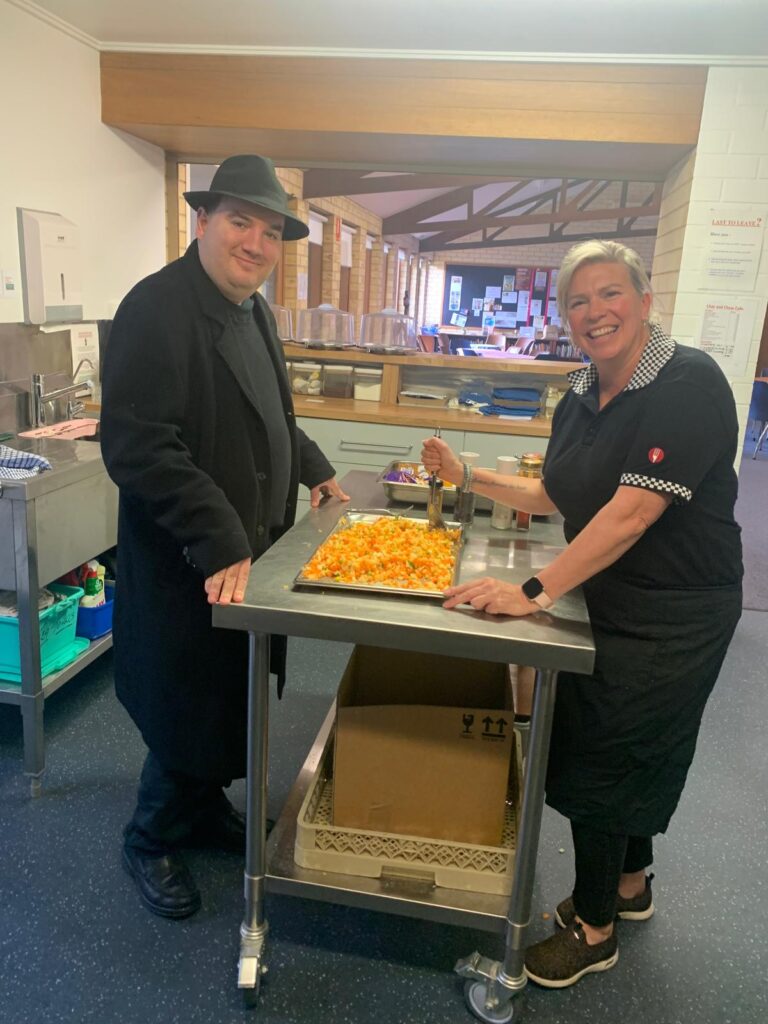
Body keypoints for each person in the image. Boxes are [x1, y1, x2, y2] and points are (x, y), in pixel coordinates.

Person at [421, 240, 742, 989]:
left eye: (610, 294)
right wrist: (468, 474)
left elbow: (630, 513)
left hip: (676, 607)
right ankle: (630, 887)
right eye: (578, 301)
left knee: (609, 751)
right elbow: (561, 494)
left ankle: (594, 929)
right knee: (634, 745)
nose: (595, 312)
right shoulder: (580, 390)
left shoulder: (686, 383)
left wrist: (533, 592)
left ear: (644, 299)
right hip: (609, 593)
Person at [100, 154, 349, 920]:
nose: (256, 242)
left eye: (270, 231)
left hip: (250, 551)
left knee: (226, 694)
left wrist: (314, 468)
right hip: (192, 559)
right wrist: (222, 539)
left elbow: (274, 414)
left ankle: (202, 810)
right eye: (241, 221)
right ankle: (150, 838)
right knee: (188, 702)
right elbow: (139, 445)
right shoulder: (158, 307)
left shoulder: (251, 308)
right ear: (201, 220)